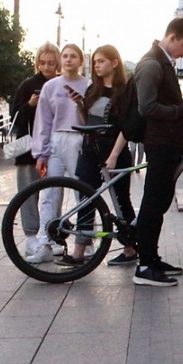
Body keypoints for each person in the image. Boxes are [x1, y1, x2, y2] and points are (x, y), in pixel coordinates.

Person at [131, 17, 183, 287]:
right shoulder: (152, 64)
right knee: (154, 203)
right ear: (172, 37)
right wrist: (182, 111)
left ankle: (152, 258)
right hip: (159, 144)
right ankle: (144, 265)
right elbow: (148, 108)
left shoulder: (163, 64)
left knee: (161, 201)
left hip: (168, 142)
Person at [57, 44, 138, 268]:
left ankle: (131, 248)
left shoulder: (125, 91)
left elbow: (126, 127)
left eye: (101, 61)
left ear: (114, 63)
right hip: (90, 149)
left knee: (121, 200)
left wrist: (113, 156)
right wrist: (79, 105)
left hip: (115, 150)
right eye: (95, 62)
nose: (96, 66)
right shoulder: (94, 87)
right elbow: (87, 123)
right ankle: (78, 252)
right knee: (86, 199)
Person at [28, 44, 89, 264]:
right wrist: (41, 153)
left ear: (80, 60)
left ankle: (85, 240)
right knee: (48, 193)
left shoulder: (88, 85)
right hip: (55, 139)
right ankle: (45, 242)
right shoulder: (50, 87)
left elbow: (91, 118)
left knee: (81, 191)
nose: (68, 60)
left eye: (73, 56)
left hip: (78, 139)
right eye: (65, 56)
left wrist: (80, 104)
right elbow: (43, 121)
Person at [10, 43, 60, 255]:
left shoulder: (60, 84)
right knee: (28, 193)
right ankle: (31, 236)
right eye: (42, 63)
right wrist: (29, 105)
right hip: (28, 149)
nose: (46, 67)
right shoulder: (28, 85)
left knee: (54, 191)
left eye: (50, 62)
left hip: (54, 147)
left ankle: (53, 234)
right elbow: (14, 118)